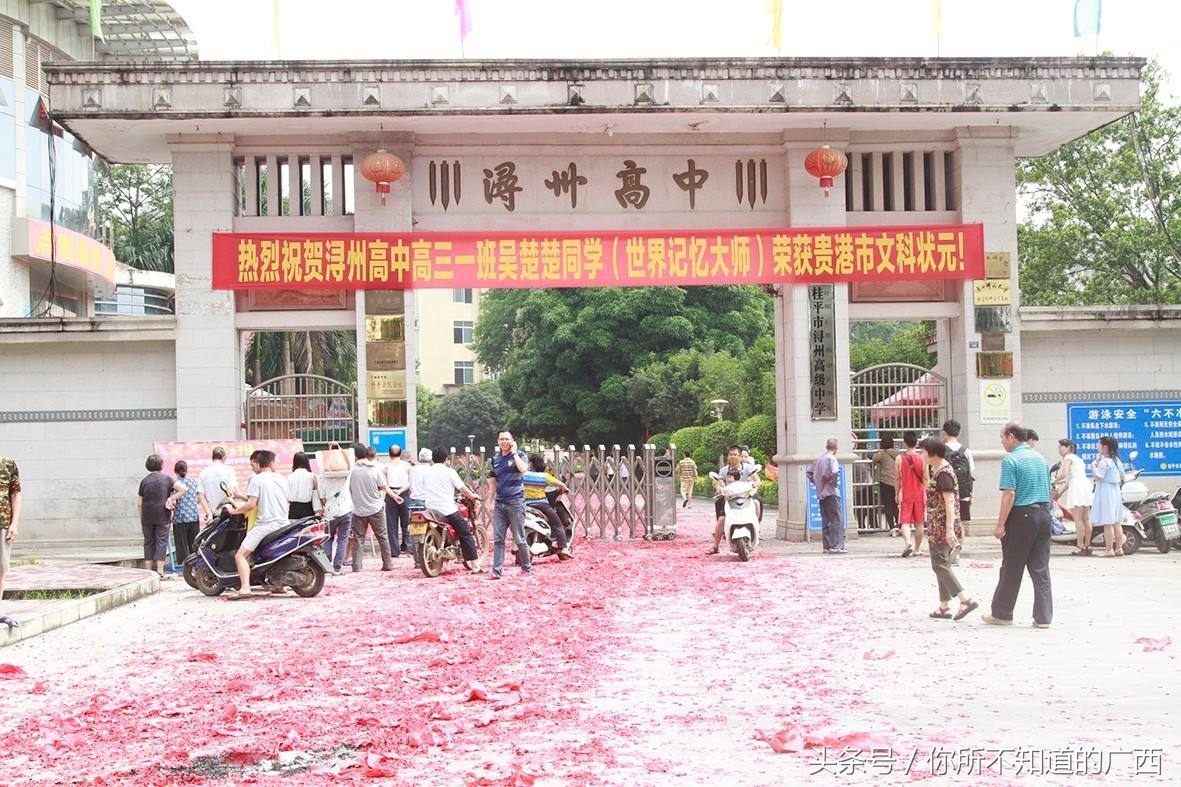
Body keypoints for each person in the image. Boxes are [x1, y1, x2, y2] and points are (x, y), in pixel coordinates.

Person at [983, 422, 1054, 628]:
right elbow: (1049, 490)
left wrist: (1000, 524)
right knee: (1040, 567)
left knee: (1012, 567)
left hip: (1022, 515)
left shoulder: (1011, 460)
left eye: (1002, 438)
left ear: (1012, 437)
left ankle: (1003, 613)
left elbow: (1009, 493)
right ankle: (1043, 618)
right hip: (1043, 514)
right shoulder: (1040, 458)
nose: (1002, 442)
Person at [919, 437, 978, 621]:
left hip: (941, 526)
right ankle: (944, 606)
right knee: (941, 563)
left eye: (923, 452)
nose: (921, 455)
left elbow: (950, 502)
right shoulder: (939, 470)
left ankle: (965, 599)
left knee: (939, 564)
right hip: (940, 525)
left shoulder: (944, 473)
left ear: (932, 454)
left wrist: (949, 529)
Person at [226, 450, 289, 598]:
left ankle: (245, 588)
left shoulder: (257, 479)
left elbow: (250, 505)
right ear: (271, 463)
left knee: (240, 555)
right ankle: (279, 586)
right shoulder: (282, 479)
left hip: (266, 525)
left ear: (259, 463)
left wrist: (233, 511)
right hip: (284, 523)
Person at [422, 447, 482, 572]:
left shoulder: (425, 472)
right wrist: (473, 496)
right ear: (446, 459)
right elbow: (463, 489)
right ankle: (475, 566)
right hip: (447, 510)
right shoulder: (449, 472)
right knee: (466, 534)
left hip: (430, 510)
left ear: (432, 458)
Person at [490, 430, 532, 579]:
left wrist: (514, 453)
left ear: (512, 441)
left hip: (515, 502)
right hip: (500, 503)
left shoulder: (520, 455)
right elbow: (493, 481)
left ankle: (526, 568)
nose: (504, 442)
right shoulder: (495, 459)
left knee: (519, 538)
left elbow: (523, 469)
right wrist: (490, 500)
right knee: (498, 539)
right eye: (501, 439)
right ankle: (497, 571)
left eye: (507, 439)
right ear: (498, 441)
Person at [348, 442, 395, 572]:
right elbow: (382, 486)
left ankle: (357, 566)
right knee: (382, 537)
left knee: (358, 539)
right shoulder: (374, 469)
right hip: (376, 508)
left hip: (358, 510)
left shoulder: (351, 471)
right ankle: (388, 564)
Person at [706, 445, 759, 555]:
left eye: (735, 455)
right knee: (721, 519)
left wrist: (755, 486)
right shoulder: (724, 470)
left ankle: (757, 528)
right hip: (730, 500)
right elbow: (719, 484)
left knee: (757, 503)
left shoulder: (748, 468)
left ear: (740, 456)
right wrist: (720, 490)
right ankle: (715, 546)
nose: (733, 457)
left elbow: (757, 480)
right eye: (730, 455)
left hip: (746, 498)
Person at [137, 454, 180, 579]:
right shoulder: (167, 479)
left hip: (147, 516)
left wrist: (141, 517)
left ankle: (148, 572)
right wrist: (171, 498)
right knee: (161, 542)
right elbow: (184, 489)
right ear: (161, 465)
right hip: (162, 515)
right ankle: (160, 571)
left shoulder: (144, 481)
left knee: (148, 542)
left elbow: (139, 503)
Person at [523, 454, 573, 560]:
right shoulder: (545, 476)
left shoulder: (524, 475)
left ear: (531, 464)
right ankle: (563, 547)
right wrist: (565, 489)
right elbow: (561, 485)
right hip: (541, 505)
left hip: (525, 504)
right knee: (557, 523)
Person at [1055, 439, 1094, 556]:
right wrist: (1060, 494)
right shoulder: (1078, 459)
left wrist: (1053, 480)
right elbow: (1070, 479)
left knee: (1078, 520)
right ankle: (1088, 545)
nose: (1059, 450)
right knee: (1086, 519)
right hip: (1085, 486)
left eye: (1061, 447)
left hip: (1077, 488)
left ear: (1068, 448)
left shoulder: (1068, 458)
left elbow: (1064, 474)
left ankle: (1080, 546)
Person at [807, 438, 846, 555]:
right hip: (831, 493)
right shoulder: (832, 459)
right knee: (837, 519)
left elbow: (809, 472)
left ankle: (827, 546)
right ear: (837, 448)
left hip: (820, 494)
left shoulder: (819, 459)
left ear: (826, 446)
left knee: (826, 520)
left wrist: (816, 482)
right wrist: (831, 483)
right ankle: (835, 545)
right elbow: (834, 473)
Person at [1090, 435, 1126, 558]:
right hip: (1115, 490)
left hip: (1106, 491)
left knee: (1108, 522)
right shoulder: (1117, 461)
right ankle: (1119, 548)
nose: (1097, 447)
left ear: (1105, 447)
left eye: (1099, 444)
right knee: (1117, 522)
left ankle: (1109, 549)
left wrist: (1093, 467)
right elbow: (1123, 477)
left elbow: (1098, 477)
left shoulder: (1104, 462)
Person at [170, 460, 209, 567]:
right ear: (187, 471)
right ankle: (196, 564)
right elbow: (198, 498)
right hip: (193, 516)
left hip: (180, 517)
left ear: (175, 471)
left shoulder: (175, 484)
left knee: (181, 544)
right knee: (194, 543)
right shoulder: (193, 482)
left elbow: (173, 500)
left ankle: (184, 566)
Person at [895, 431, 927, 558]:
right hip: (920, 493)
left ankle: (908, 542)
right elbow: (926, 479)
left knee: (905, 521)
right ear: (917, 443)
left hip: (906, 494)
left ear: (904, 442)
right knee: (920, 523)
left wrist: (896, 493)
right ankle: (917, 549)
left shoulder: (899, 458)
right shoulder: (922, 458)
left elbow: (897, 478)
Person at [0, 454, 22, 630]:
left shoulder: (8, 464)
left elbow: (15, 494)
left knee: (0, 570)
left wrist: (14, 524)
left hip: (2, 525)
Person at [319, 461, 353, 574]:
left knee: (328, 538)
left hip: (331, 513)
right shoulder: (346, 477)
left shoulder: (323, 479)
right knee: (342, 539)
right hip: (346, 510)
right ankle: (337, 566)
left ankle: (327, 563)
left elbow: (322, 499)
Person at [941, 420, 975, 523]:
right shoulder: (967, 451)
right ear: (959, 433)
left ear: (945, 432)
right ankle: (961, 539)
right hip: (963, 492)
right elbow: (971, 471)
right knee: (960, 524)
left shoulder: (941, 450)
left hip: (945, 491)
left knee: (946, 521)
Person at [384, 445, 413, 557]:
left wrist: (393, 494)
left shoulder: (385, 467)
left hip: (391, 495)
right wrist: (400, 491)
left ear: (389, 454)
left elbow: (384, 484)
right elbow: (410, 482)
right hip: (404, 494)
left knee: (392, 524)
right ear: (400, 454)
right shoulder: (407, 466)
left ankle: (394, 551)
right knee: (407, 522)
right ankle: (408, 547)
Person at [870, 436, 900, 533]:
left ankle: (892, 527)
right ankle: (899, 525)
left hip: (885, 482)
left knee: (888, 505)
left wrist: (873, 473)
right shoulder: (898, 454)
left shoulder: (881, 454)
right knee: (896, 505)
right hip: (897, 482)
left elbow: (872, 461)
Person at [286, 451, 324, 520]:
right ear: (307, 462)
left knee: (295, 530)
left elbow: (287, 497)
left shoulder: (289, 477)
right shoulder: (312, 476)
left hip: (293, 510)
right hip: (308, 509)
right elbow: (316, 494)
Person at [198, 446, 237, 510]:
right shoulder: (228, 470)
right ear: (224, 458)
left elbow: (201, 496)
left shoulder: (203, 473)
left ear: (212, 458)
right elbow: (231, 491)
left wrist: (209, 512)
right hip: (227, 511)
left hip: (212, 514)